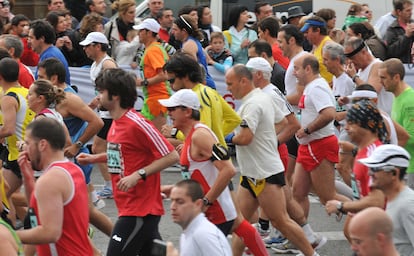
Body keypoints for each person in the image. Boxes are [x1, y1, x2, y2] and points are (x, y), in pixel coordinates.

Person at [77, 68, 179, 256]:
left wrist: (138, 175)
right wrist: (95, 158)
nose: (98, 97)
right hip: (129, 207)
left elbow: (171, 156)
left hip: (140, 210)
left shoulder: (137, 122)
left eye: (101, 91)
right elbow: (125, 153)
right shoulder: (117, 122)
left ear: (115, 95)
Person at [225, 64, 319, 256]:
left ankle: (312, 254)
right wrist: (266, 138)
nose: (227, 88)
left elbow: (244, 138)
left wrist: (223, 139)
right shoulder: (261, 97)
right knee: (240, 224)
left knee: (280, 221)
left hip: (265, 173)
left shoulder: (252, 104)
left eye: (230, 83)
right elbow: (282, 122)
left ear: (243, 81)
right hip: (252, 173)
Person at [159, 89, 267, 256]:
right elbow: (199, 175)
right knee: (240, 225)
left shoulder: (200, 135)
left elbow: (228, 169)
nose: (169, 113)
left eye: (173, 109)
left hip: (213, 211)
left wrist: (206, 201)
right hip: (209, 209)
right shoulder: (192, 135)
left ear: (187, 112)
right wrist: (173, 188)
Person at [245, 57, 326, 253]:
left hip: (270, 154)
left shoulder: (269, 94)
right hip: (267, 154)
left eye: (248, 73)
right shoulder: (265, 92)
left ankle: (258, 236)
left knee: (276, 213)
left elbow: (293, 125)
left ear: (258, 75)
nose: (244, 78)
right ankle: (308, 237)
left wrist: (272, 143)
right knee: (287, 200)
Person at [16, 118, 92, 255]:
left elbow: (50, 233)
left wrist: (8, 234)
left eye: (28, 143)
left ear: (42, 144)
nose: (25, 149)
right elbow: (37, 210)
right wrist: (28, 180)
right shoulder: (72, 169)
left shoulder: (51, 179)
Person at [292, 53, 347, 219]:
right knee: (298, 192)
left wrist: (307, 130)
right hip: (308, 146)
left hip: (320, 144)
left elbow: (329, 114)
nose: (294, 72)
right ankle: (305, 237)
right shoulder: (312, 85)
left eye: (296, 68)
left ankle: (365, 216)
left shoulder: (317, 87)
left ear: (308, 69)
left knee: (328, 197)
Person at [325, 99, 386, 241]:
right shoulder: (363, 151)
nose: (346, 128)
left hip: (376, 231)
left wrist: (341, 206)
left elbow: (377, 201)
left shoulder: (375, 155)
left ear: (366, 125)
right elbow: (361, 194)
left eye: (351, 123)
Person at [80, 31, 118, 199]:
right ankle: (115, 183)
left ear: (97, 46)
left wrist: (100, 100)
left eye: (88, 46)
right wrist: (97, 101)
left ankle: (113, 185)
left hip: (112, 114)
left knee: (99, 148)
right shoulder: (97, 64)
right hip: (105, 112)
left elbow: (116, 87)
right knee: (110, 149)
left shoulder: (107, 64)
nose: (85, 49)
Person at [359, 144, 414, 255]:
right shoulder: (392, 199)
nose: (369, 173)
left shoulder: (407, 205)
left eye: (375, 169)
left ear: (394, 173)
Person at [0, 58, 34, 227]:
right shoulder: (26, 92)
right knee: (6, 195)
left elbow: (8, 129)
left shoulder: (8, 98)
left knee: (5, 195)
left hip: (18, 154)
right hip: (24, 152)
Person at [170, 179, 232, 256]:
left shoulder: (204, 234)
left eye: (180, 202)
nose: (172, 207)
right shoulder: (188, 232)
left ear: (198, 204)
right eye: (171, 201)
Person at [378, 58, 414, 189]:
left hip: (410, 168)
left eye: (384, 78)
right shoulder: (397, 96)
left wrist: (388, 157)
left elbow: (410, 138)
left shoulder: (409, 100)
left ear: (396, 77)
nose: (380, 82)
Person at [133, 18, 171, 131]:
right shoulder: (152, 49)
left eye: (141, 31)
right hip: (152, 99)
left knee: (158, 139)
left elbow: (163, 75)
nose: (138, 34)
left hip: (158, 99)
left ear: (149, 33)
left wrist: (144, 82)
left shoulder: (153, 50)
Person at [344, 36, 394, 115]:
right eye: (348, 58)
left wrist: (354, 77)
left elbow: (371, 93)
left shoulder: (377, 66)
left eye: (352, 57)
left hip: (381, 119)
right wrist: (347, 100)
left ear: (363, 52)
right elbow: (362, 98)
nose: (350, 61)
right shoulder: (360, 71)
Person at [172, 14, 216, 89]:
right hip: (205, 84)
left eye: (175, 29)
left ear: (184, 31)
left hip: (202, 86)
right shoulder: (192, 41)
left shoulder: (189, 45)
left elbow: (191, 70)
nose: (173, 32)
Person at [322, 41, 355, 139]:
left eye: (326, 60)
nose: (323, 63)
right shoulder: (335, 78)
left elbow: (361, 104)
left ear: (337, 60)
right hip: (340, 128)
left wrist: (341, 115)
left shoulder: (348, 80)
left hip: (350, 129)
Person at [28, 19, 71, 85]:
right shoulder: (49, 53)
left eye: (31, 38)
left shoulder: (50, 57)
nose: (29, 41)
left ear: (42, 39)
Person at [300, 16, 334, 86]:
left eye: (307, 32)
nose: (305, 35)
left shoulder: (328, 45)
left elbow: (340, 72)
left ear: (317, 30)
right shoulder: (315, 46)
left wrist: (326, 87)